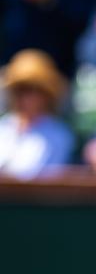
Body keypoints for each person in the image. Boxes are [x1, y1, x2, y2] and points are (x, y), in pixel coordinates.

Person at [0, 48, 74, 179]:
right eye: (20, 89)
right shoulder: (3, 126)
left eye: (31, 89)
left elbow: (46, 181)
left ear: (46, 94)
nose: (24, 96)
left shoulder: (59, 135)